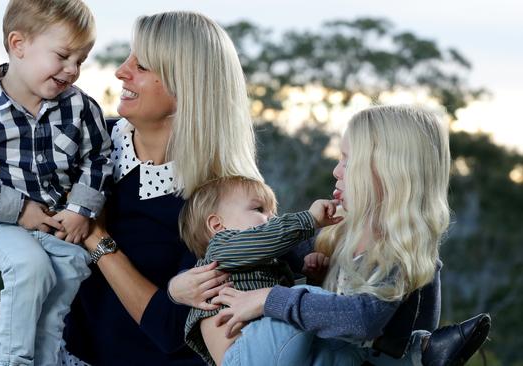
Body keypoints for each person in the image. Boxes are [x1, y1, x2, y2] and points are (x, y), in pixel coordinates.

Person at [0, 10, 259, 366]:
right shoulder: (90, 140)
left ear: (184, 87)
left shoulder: (223, 202)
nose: (121, 72)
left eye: (140, 65)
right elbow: (5, 181)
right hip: (50, 345)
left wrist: (98, 239)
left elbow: (173, 330)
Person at [200, 105, 491, 366]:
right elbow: (255, 241)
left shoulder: (401, 256)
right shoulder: (334, 235)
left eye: (348, 161)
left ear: (390, 173)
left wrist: (269, 298)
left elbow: (364, 322)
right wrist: (183, 285)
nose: (337, 171)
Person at [0, 1, 112, 365]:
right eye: (64, 56)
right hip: (6, 225)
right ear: (19, 45)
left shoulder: (81, 109)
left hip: (60, 229)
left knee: (68, 275)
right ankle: (13, 361)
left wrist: (81, 210)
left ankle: (46, 361)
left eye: (81, 60)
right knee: (31, 269)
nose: (72, 70)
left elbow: (98, 157)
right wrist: (19, 211)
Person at [178, 176, 341, 365]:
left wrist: (314, 277)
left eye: (274, 212)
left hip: (271, 350)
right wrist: (309, 219)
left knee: (340, 346)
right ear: (218, 226)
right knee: (303, 299)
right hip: (243, 352)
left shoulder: (269, 264)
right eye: (259, 209)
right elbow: (265, 239)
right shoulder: (221, 248)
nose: (273, 218)